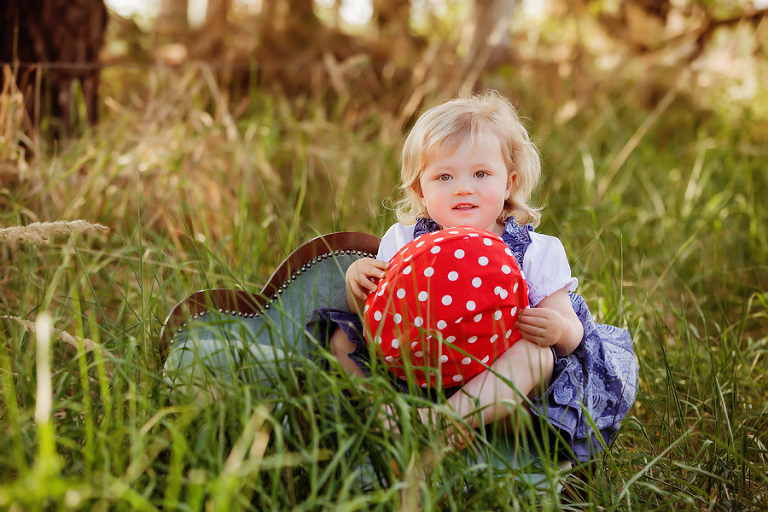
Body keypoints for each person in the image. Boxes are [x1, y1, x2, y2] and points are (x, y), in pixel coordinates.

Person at [323, 90, 638, 462]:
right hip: (423, 367)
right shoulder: (404, 240)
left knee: (539, 356)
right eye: (443, 176)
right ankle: (387, 416)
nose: (463, 187)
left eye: (481, 173)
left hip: (506, 385)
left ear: (508, 183)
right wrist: (357, 283)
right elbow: (380, 318)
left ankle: (449, 422)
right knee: (342, 340)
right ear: (419, 190)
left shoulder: (537, 250)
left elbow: (571, 335)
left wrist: (557, 330)